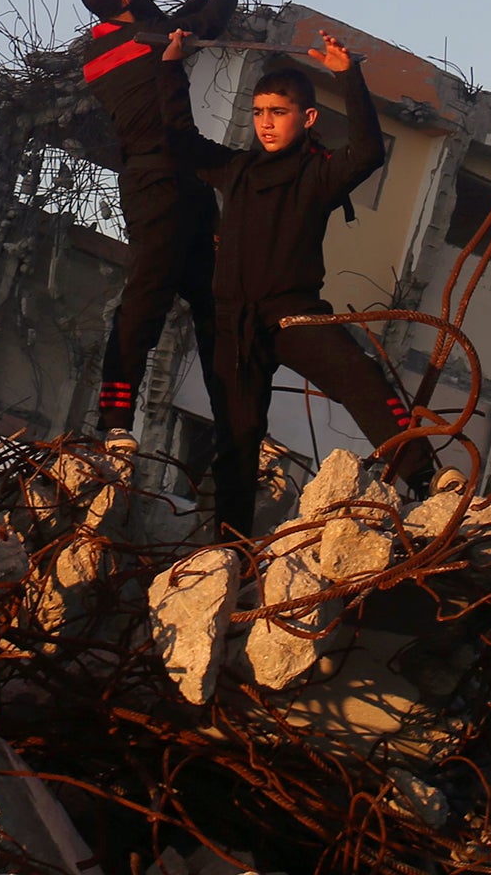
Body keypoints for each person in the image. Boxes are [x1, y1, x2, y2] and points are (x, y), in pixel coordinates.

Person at [161, 27, 432, 542]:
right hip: (233, 327)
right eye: (259, 112)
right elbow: (181, 141)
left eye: (278, 112)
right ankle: (231, 549)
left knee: (361, 376)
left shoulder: (320, 173)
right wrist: (172, 66)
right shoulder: (237, 170)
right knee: (236, 442)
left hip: (293, 315)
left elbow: (371, 150)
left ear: (306, 118)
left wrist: (348, 75)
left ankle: (426, 476)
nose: (265, 123)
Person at [73, 0, 246, 447]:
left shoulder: (105, 47)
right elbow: (199, 28)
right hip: (158, 186)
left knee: (216, 303)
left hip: (178, 182)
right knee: (146, 299)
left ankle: (232, 417)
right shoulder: (143, 41)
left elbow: (168, 25)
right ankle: (114, 421)